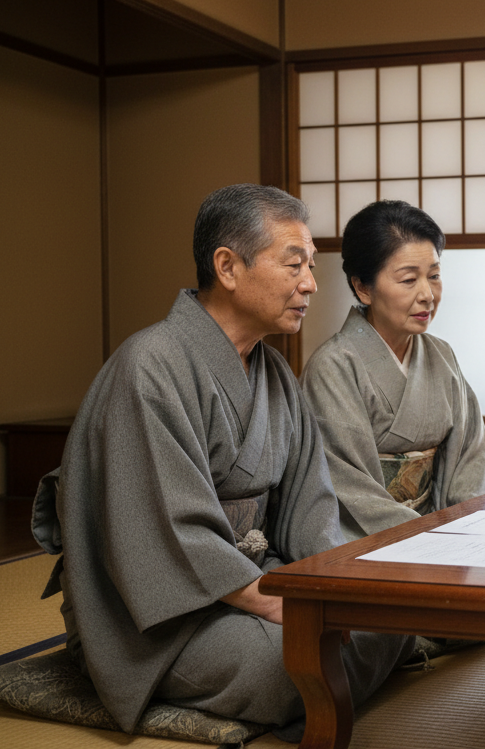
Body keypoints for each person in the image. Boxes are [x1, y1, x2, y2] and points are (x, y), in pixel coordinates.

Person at [30, 184, 413, 739]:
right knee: (294, 664)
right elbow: (165, 530)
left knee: (384, 623)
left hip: (258, 581)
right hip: (158, 615)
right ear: (228, 267)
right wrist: (274, 604)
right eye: (294, 264)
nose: (310, 282)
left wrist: (330, 595)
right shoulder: (149, 368)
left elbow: (310, 505)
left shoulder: (275, 374)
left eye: (310, 265)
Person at [301, 200, 485, 542]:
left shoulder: (442, 356)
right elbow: (349, 488)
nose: (427, 295)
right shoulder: (332, 367)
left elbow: (472, 461)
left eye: (434, 276)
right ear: (363, 287)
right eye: (408, 279)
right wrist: (426, 537)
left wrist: (468, 531)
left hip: (447, 537)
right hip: (368, 543)